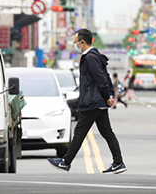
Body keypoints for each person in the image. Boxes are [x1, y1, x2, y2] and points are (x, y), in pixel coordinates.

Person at [48, 28, 126, 174]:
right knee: (106, 132)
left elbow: (101, 78)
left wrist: (107, 96)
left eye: (76, 42)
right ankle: (118, 162)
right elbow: (106, 76)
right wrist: (108, 96)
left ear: (82, 42)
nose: (75, 45)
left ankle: (65, 162)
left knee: (79, 132)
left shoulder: (90, 57)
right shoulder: (95, 55)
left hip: (92, 102)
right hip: (98, 101)